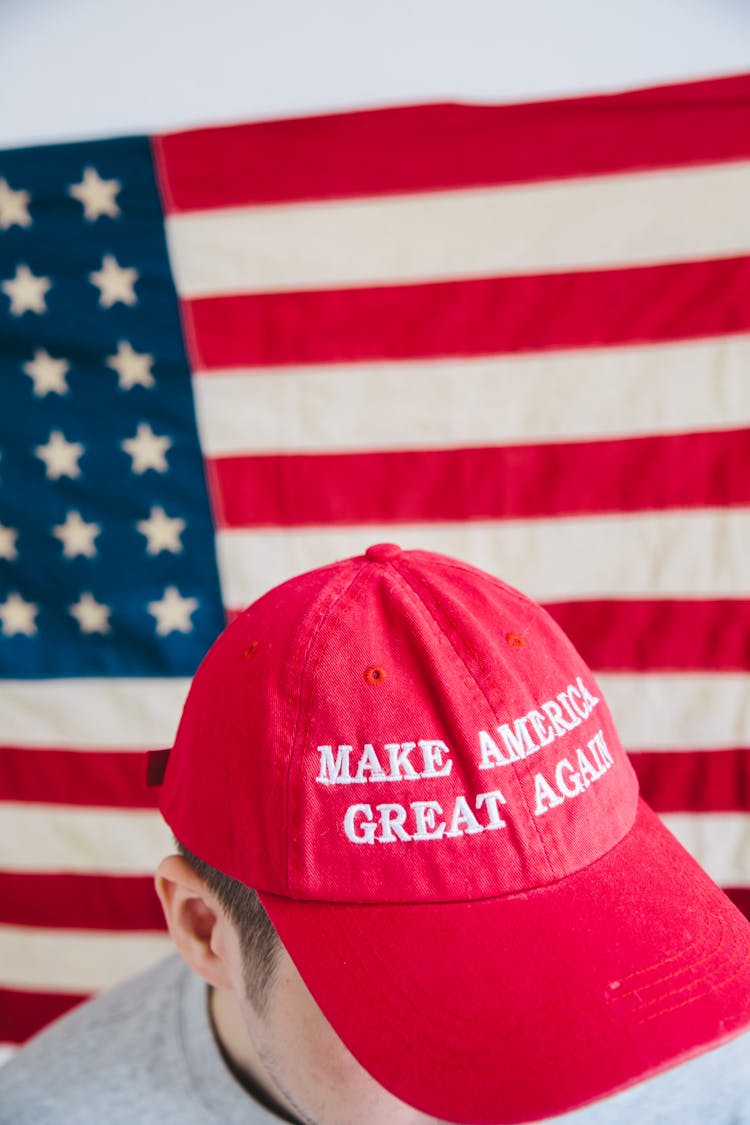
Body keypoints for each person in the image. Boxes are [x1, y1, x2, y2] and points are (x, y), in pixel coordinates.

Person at [2, 543, 750, 1125]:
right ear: (204, 925)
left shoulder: (717, 1066)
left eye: (586, 951)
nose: (545, 1100)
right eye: (445, 992)